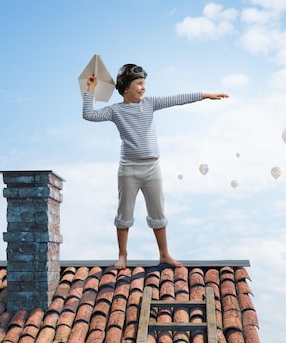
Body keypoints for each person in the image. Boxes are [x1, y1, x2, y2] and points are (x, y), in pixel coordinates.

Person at [83, 63, 229, 269]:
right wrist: (90, 89)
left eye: (144, 84)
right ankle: (122, 256)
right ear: (126, 88)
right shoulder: (115, 111)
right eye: (139, 84)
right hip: (128, 170)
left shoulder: (150, 104)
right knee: (124, 213)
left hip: (152, 169)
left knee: (158, 213)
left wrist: (205, 95)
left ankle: (164, 254)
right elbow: (89, 115)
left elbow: (178, 99)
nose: (143, 88)